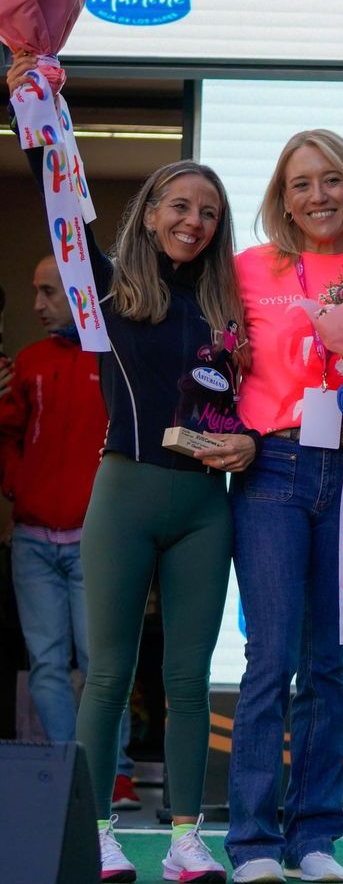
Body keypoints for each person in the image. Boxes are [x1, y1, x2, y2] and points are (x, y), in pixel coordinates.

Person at [9, 52, 253, 884]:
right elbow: (61, 205)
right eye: (180, 205)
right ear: (150, 214)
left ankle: (187, 838)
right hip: (123, 493)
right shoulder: (106, 291)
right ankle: (98, 834)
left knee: (188, 678)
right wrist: (39, 109)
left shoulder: (229, 308)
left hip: (205, 507)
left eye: (209, 212)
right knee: (106, 672)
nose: (194, 220)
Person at [229, 129, 343, 884]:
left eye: (330, 180)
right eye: (300, 184)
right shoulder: (249, 270)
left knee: (331, 663)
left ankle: (314, 837)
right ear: (281, 198)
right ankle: (254, 843)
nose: (316, 196)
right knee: (271, 660)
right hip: (272, 470)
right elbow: (214, 369)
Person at [0, 256, 139, 811]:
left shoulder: (114, 360)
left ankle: (119, 774)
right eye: (36, 292)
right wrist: (17, 483)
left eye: (49, 293)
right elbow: (7, 435)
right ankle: (69, 773)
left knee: (103, 663)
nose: (37, 304)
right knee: (48, 666)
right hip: (33, 539)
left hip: (93, 540)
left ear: (80, 294)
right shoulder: (29, 362)